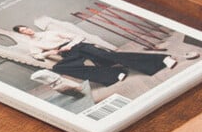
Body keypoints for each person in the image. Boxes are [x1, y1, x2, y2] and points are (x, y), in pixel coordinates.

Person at [13, 23, 180, 87]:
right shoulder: (32, 43)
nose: (26, 31)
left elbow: (78, 37)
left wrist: (70, 45)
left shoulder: (51, 32)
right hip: (65, 54)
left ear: (28, 27)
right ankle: (114, 74)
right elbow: (38, 56)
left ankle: (161, 59)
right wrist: (52, 51)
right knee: (60, 67)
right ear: (23, 34)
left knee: (111, 57)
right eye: (23, 31)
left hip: (78, 45)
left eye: (25, 28)